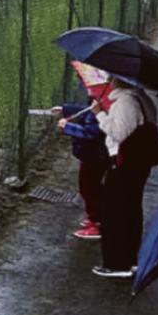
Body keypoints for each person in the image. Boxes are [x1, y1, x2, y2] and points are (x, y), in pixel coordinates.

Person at [93, 76, 158, 278]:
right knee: (131, 210)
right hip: (139, 164)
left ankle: (117, 262)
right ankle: (130, 258)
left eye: (111, 77)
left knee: (115, 212)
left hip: (125, 165)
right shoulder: (141, 98)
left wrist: (100, 115)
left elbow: (118, 132)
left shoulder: (126, 103)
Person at [55, 100, 109, 240]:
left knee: (89, 187)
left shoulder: (109, 103)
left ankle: (98, 222)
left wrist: (67, 127)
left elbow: (93, 132)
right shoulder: (104, 99)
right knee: (90, 186)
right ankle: (97, 217)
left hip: (96, 154)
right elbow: (88, 111)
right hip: (94, 153)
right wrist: (65, 109)